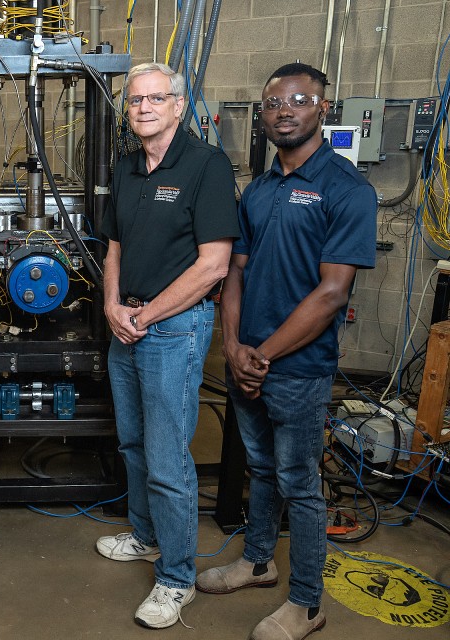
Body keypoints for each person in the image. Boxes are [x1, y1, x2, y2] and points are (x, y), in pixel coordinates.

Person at [196, 63, 376, 640]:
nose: (283, 110)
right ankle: (256, 561)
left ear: (323, 108)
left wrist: (262, 354)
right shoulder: (261, 189)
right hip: (249, 359)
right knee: (261, 468)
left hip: (298, 368)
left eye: (299, 100)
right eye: (273, 102)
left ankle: (306, 603)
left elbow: (332, 292)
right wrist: (233, 348)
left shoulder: (347, 189)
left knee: (299, 482)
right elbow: (235, 274)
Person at [95, 62, 239, 629]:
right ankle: (148, 537)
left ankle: (177, 577)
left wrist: (145, 315)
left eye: (157, 98)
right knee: (132, 444)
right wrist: (112, 307)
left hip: (174, 330)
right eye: (135, 101)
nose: (144, 108)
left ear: (180, 106)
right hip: (126, 323)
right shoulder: (128, 167)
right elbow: (113, 248)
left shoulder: (205, 164)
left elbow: (213, 266)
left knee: (167, 459)